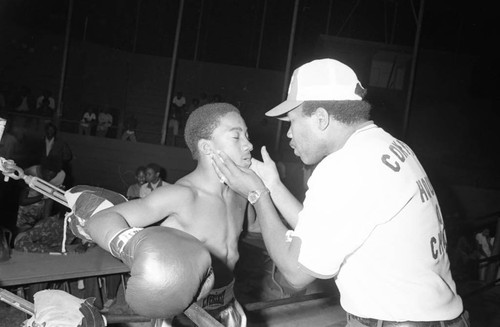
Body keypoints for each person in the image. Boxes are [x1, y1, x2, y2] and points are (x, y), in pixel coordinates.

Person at [211, 59, 469, 326]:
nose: (288, 134)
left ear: (321, 118)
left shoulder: (345, 166)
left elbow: (295, 271)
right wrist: (273, 185)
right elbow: (320, 233)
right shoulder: (386, 145)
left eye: (292, 121)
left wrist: (258, 195)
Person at [77, 103, 253, 326]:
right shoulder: (181, 195)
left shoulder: (241, 193)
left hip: (227, 306)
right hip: (185, 313)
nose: (249, 144)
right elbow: (100, 220)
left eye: (247, 135)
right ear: (207, 148)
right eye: (236, 137)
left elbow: (248, 234)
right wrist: (133, 248)